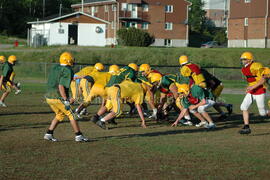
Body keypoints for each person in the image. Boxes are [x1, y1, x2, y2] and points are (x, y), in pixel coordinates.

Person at [43, 52, 89, 142]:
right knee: (72, 115)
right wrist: (65, 99)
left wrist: (80, 77)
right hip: (58, 97)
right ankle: (79, 136)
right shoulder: (67, 69)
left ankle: (49, 133)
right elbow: (61, 85)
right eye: (71, 58)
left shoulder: (56, 67)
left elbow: (63, 78)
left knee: (60, 114)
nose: (72, 60)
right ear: (68, 60)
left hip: (49, 97)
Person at [239, 52, 268, 134]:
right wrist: (249, 87)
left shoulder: (256, 66)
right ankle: (246, 127)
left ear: (250, 60)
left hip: (259, 90)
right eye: (242, 59)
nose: (242, 61)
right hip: (252, 90)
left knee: (262, 113)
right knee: (243, 107)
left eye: (244, 59)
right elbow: (252, 80)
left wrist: (252, 87)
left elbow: (263, 80)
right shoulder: (244, 68)